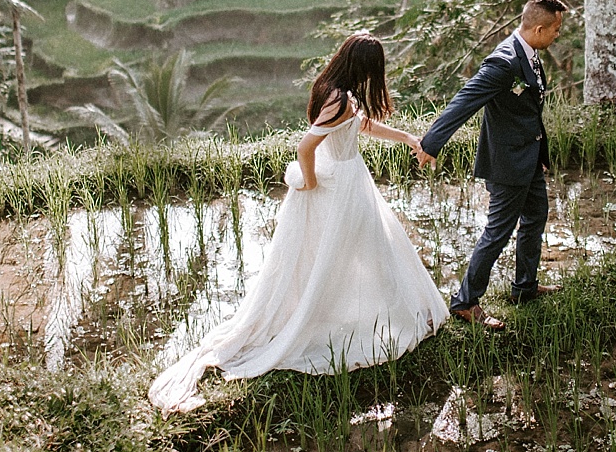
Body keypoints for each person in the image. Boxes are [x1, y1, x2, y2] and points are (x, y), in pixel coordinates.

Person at [148, 33, 449, 413]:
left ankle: (368, 313)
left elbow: (361, 127)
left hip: (346, 181)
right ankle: (352, 319)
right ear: (365, 68)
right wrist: (308, 181)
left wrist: (407, 137)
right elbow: (305, 146)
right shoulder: (340, 98)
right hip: (337, 185)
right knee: (355, 255)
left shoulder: (340, 92)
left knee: (355, 254)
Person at [416, 0, 567, 331]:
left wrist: (539, 154)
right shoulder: (502, 63)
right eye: (556, 29)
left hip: (528, 158)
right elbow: (464, 101)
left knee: (536, 217)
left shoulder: (530, 54)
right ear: (540, 28)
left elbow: (528, 111)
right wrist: (431, 142)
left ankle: (524, 288)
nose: (558, 35)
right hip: (506, 163)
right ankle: (465, 302)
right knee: (498, 232)